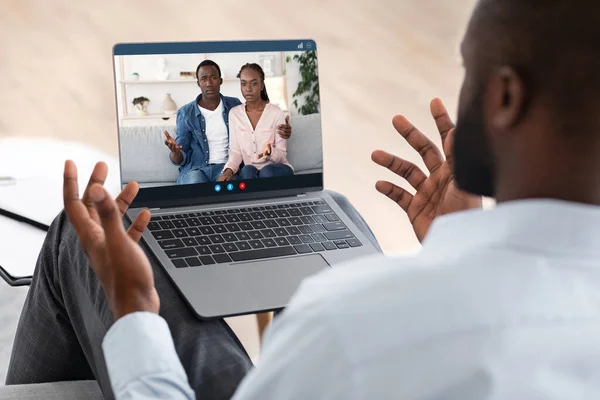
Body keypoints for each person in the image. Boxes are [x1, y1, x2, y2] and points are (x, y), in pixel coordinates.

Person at [8, 0, 600, 398]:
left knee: (79, 233)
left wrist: (138, 311)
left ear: (504, 96)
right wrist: (448, 259)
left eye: (469, 68)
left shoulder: (347, 323)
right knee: (334, 208)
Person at [163, 60, 293, 185]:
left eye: (213, 77)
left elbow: (255, 118)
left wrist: (284, 132)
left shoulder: (233, 106)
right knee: (196, 182)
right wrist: (175, 152)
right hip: (197, 169)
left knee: (245, 178)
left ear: (220, 80)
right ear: (198, 83)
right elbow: (180, 158)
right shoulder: (186, 113)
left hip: (225, 166)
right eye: (203, 79)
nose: (209, 83)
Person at [217, 63, 294, 182]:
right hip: (251, 169)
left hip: (277, 169)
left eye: (254, 83)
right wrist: (228, 171)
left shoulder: (276, 113)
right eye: (243, 83)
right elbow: (236, 152)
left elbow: (282, 155)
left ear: (262, 85)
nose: (248, 88)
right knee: (247, 170)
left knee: (266, 172)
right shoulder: (234, 114)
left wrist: (270, 152)